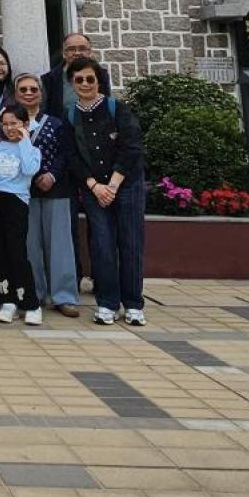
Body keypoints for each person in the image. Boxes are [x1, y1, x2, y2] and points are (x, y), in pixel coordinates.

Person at [66, 58, 146, 327]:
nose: (85, 84)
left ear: (98, 80)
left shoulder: (117, 108)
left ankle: (133, 303)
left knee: (131, 243)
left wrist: (112, 185)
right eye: (79, 80)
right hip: (93, 188)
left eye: (90, 79)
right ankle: (108, 303)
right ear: (72, 83)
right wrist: (94, 185)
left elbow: (131, 147)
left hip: (126, 185)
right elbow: (72, 156)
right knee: (102, 245)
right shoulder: (70, 114)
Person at [14, 72, 80, 318]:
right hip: (22, 192)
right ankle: (35, 294)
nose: (29, 93)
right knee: (30, 245)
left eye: (34, 89)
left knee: (60, 244)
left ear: (41, 94)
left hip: (56, 189)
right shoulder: (9, 123)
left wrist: (51, 175)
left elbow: (66, 153)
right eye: (23, 89)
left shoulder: (56, 123)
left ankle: (64, 296)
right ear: (15, 94)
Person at [0, 103, 43, 325]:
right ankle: (7, 301)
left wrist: (25, 140)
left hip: (17, 201)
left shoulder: (32, 150)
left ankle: (30, 303)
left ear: (25, 124)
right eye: (6, 124)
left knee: (17, 253)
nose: (9, 128)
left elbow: (29, 170)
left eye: (15, 123)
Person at [43, 33, 112, 119]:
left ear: (90, 52)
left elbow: (106, 106)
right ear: (64, 53)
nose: (77, 53)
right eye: (71, 49)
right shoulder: (49, 79)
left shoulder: (101, 75)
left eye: (82, 48)